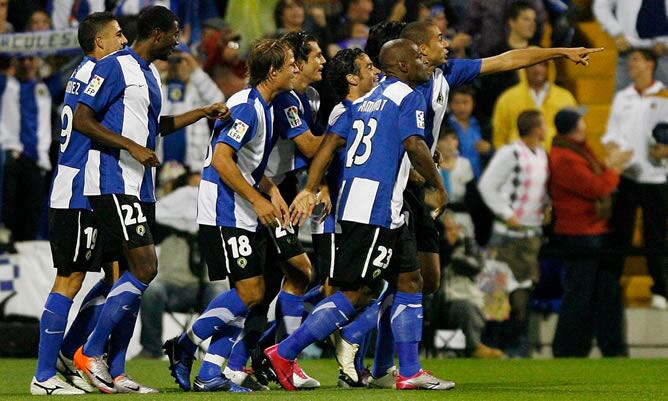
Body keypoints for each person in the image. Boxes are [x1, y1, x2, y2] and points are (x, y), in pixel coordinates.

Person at [333, 19, 600, 384]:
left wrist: (559, 52)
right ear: (417, 50)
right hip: (395, 187)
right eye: (440, 38)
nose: (448, 43)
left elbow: (506, 60)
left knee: (425, 279)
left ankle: (375, 359)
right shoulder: (393, 87)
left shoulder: (447, 74)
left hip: (417, 182)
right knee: (390, 281)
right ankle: (355, 347)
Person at [260, 38, 453, 391]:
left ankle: (409, 372)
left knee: (410, 281)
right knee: (353, 294)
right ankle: (284, 352)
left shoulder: (362, 102)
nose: (426, 61)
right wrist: (438, 185)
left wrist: (311, 185)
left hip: (385, 210)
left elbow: (331, 142)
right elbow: (414, 144)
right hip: (374, 209)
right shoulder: (407, 97)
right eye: (419, 57)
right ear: (405, 66)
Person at [71, 6, 229, 394]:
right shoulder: (113, 66)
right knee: (144, 268)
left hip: (141, 185)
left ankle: (118, 370)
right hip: (112, 181)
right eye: (174, 34)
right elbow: (82, 119)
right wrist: (131, 147)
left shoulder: (150, 74)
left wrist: (202, 112)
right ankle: (89, 352)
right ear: (157, 34)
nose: (178, 41)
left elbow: (155, 127)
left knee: (131, 276)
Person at [162, 38, 298, 393]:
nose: (296, 69)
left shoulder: (265, 106)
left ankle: (209, 373)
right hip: (225, 207)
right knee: (251, 292)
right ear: (273, 72)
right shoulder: (248, 107)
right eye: (290, 64)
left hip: (241, 205)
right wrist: (257, 199)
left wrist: (272, 190)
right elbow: (222, 159)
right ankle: (186, 344)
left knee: (250, 294)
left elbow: (246, 164)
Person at [30, 12, 128, 396]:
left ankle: (69, 352)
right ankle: (43, 376)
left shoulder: (85, 74)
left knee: (116, 275)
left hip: (93, 189)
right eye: (118, 35)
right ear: (99, 43)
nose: (124, 41)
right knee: (69, 280)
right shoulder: (98, 75)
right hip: (77, 190)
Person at [222, 30, 325, 391]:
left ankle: (255, 359)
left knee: (272, 285)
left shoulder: (308, 96)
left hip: (280, 189)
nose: (321, 62)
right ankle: (267, 357)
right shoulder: (281, 101)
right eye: (313, 56)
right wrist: (350, 124)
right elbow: (313, 148)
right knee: (297, 273)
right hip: (267, 191)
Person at [550, 108, 631, 357]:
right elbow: (596, 187)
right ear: (575, 126)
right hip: (581, 233)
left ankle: (607, 348)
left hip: (593, 231)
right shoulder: (565, 156)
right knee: (580, 295)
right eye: (581, 119)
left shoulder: (576, 150)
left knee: (603, 292)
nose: (585, 123)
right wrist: (615, 169)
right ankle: (568, 350)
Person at [478, 109, 550, 357]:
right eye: (543, 124)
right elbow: (487, 185)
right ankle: (490, 346)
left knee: (522, 295)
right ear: (535, 128)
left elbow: (539, 189)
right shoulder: (511, 153)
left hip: (528, 238)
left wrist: (545, 208)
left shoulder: (541, 154)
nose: (546, 128)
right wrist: (506, 212)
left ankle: (515, 348)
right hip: (505, 236)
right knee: (495, 295)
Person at [602, 48, 668, 311]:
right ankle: (612, 288)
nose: (631, 65)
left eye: (637, 60)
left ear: (650, 64)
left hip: (656, 178)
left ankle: (661, 290)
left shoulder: (664, 96)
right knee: (620, 235)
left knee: (656, 237)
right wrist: (614, 151)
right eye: (629, 61)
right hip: (627, 177)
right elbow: (610, 135)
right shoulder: (623, 98)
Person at [138, 171, 226, 359]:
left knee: (222, 293)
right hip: (172, 288)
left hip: (204, 288)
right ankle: (151, 349)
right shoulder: (166, 221)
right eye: (190, 188)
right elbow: (154, 222)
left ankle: (217, 353)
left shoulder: (215, 222)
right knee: (151, 290)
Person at [1, 55, 51, 242]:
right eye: (22, 59)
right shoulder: (7, 84)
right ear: (14, 62)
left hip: (37, 159)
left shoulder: (44, 87)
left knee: (32, 214)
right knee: (11, 214)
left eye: (30, 58)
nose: (27, 63)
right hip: (12, 156)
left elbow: (70, 70)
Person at [159, 44, 225, 173]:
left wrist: (195, 69)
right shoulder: (159, 84)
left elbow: (219, 101)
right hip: (160, 162)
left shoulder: (197, 87)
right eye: (171, 59)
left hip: (193, 164)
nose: (175, 64)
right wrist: (157, 68)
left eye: (180, 60)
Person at [492, 60, 576, 151]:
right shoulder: (508, 98)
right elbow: (499, 135)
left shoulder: (565, 97)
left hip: (557, 157)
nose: (537, 69)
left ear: (549, 68)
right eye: (532, 65)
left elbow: (573, 131)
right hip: (520, 159)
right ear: (524, 69)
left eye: (542, 65)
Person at [593, 0, 668, 90]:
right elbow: (601, 6)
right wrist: (616, 32)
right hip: (629, 48)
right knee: (624, 99)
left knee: (664, 99)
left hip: (663, 52)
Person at [446, 85, 491, 180]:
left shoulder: (483, 124)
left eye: (465, 102)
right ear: (449, 104)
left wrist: (489, 149)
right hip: (453, 180)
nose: (461, 107)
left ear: (473, 103)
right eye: (456, 103)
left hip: (480, 180)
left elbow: (494, 151)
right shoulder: (443, 126)